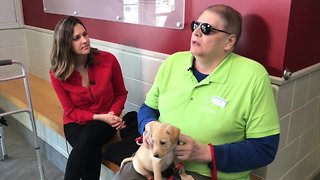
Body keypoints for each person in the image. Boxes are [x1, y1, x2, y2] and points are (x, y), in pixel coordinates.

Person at [113, 4, 280, 180]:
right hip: (159, 160)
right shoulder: (174, 62)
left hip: (207, 173)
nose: (196, 32)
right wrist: (149, 128)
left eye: (207, 29)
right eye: (195, 26)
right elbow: (148, 108)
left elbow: (265, 149)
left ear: (229, 42)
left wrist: (207, 153)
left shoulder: (253, 76)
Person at [50, 16, 128, 180]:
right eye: (76, 38)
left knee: (89, 138)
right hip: (75, 122)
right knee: (90, 149)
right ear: (65, 44)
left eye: (85, 34)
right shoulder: (57, 73)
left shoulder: (108, 60)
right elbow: (70, 111)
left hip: (106, 120)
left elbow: (121, 93)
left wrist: (112, 114)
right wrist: (100, 117)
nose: (85, 40)